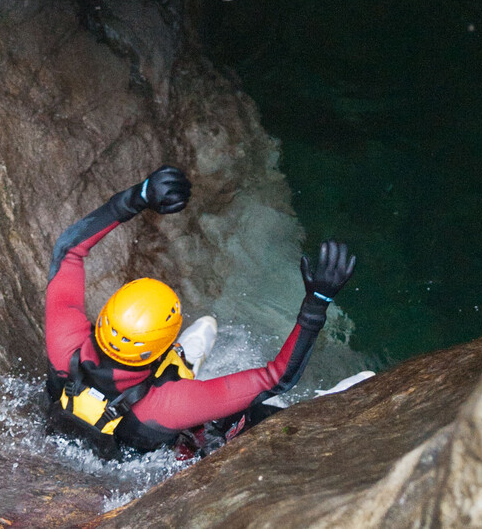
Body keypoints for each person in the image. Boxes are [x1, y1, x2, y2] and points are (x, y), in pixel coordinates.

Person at [43, 165, 357, 458]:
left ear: (104, 320)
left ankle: (179, 364)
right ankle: (321, 405)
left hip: (89, 432)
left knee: (162, 389)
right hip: (159, 440)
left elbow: (67, 250)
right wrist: (316, 304)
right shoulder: (172, 404)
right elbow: (278, 378)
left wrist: (138, 196)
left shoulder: (63, 344)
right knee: (243, 419)